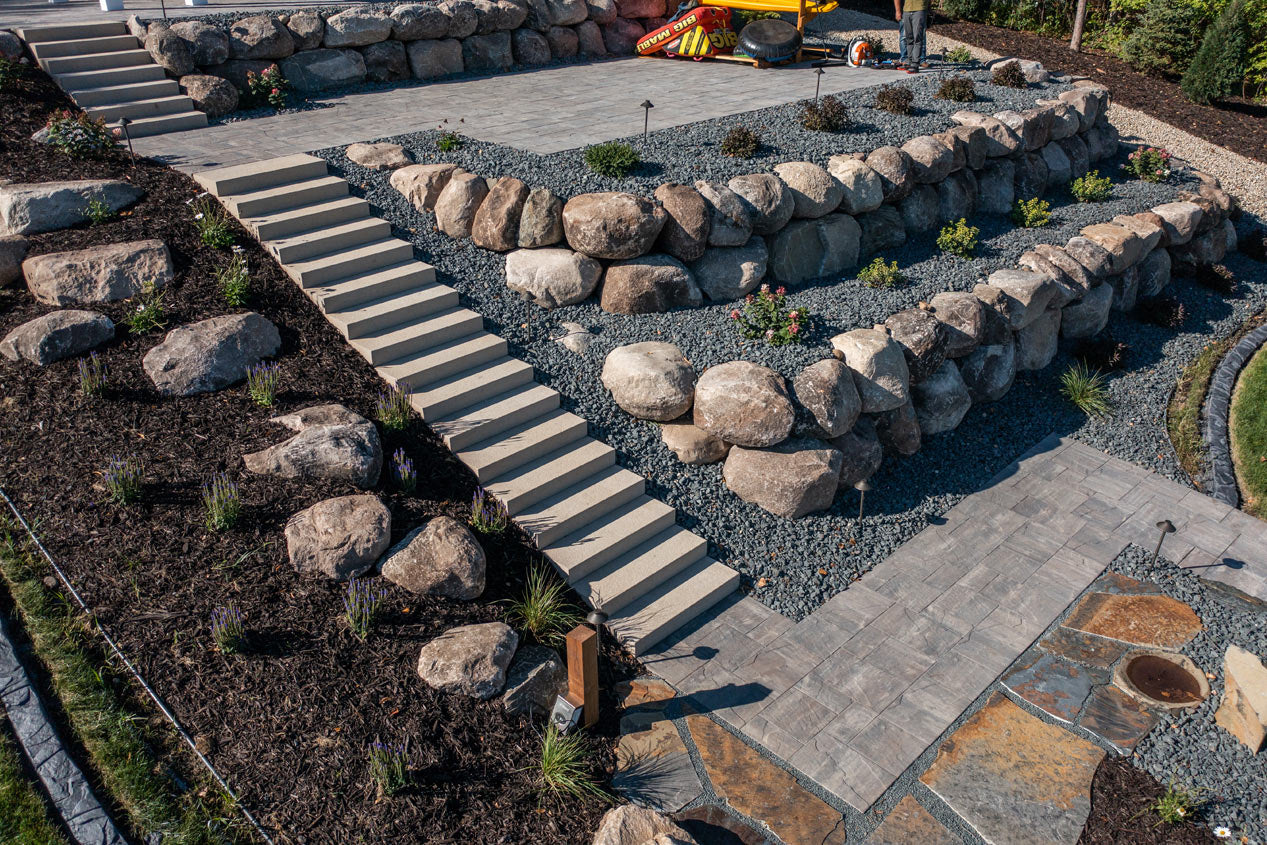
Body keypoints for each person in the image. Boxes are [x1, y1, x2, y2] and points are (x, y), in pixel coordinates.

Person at [894, 0, 928, 72]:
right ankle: (910, 61)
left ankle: (915, 63)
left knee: (917, 38)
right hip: (907, 9)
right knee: (909, 38)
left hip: (919, 9)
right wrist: (898, 11)